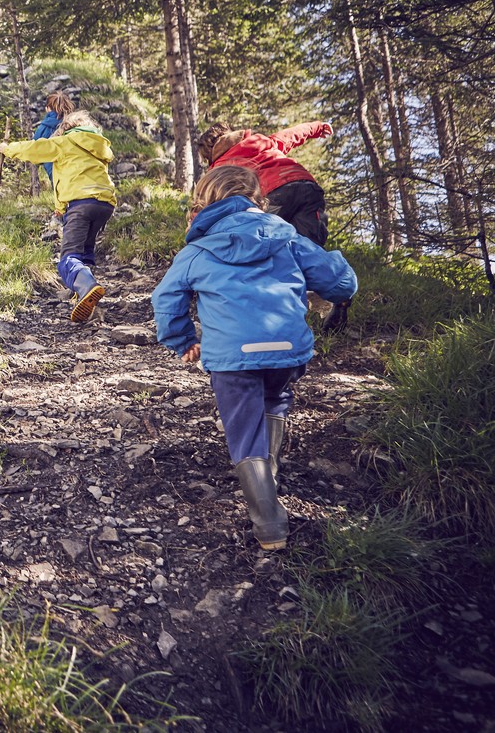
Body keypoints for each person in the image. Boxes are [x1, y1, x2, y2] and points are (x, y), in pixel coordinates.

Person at [151, 165, 357, 550]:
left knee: (244, 427)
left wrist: (182, 340)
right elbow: (339, 283)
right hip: (287, 349)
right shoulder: (288, 236)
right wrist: (341, 268)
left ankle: (269, 523)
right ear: (258, 199)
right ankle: (270, 472)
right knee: (276, 396)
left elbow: (165, 299)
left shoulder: (196, 250)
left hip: (232, 357)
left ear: (205, 202)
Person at [0, 108, 116, 322]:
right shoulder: (98, 146)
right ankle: (84, 298)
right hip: (105, 205)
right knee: (84, 252)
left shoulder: (66, 141)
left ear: (66, 127)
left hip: (81, 203)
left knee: (68, 258)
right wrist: (61, 207)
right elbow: (76, 174)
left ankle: (88, 286)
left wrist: (8, 149)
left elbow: (34, 149)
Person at [197, 121, 333, 247]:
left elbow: (206, 201)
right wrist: (317, 127)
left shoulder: (219, 168)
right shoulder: (259, 141)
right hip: (306, 185)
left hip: (272, 194)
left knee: (267, 241)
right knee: (311, 244)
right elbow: (291, 135)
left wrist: (194, 225)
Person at [33, 92, 74, 241]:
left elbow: (35, 152)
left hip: (55, 171)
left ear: (49, 108)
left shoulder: (44, 127)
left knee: (63, 200)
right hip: (76, 169)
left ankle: (69, 237)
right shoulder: (73, 122)